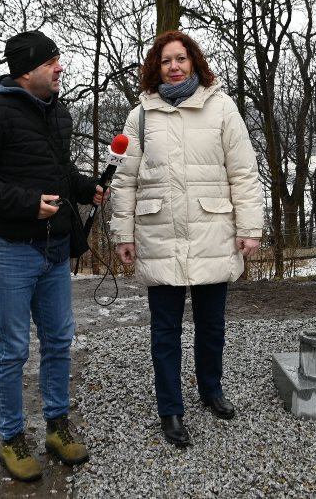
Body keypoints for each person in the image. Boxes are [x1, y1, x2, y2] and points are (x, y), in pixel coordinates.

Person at [0, 30, 106, 482]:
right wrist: (24, 204)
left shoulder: (58, 115)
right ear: (25, 72)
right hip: (9, 251)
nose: (60, 67)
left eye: (59, 58)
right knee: (13, 349)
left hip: (54, 248)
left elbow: (53, 171)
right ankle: (12, 438)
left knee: (59, 341)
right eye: (51, 61)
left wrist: (82, 186)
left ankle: (57, 426)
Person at [109, 30, 263, 447]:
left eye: (181, 58)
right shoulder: (139, 116)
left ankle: (211, 389)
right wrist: (122, 232)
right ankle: (171, 409)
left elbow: (244, 172)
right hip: (160, 236)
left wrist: (249, 228)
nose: (174, 66)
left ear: (194, 61)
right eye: (165, 61)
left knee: (211, 326)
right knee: (165, 331)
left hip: (213, 231)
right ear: (155, 68)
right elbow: (124, 181)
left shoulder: (222, 107)